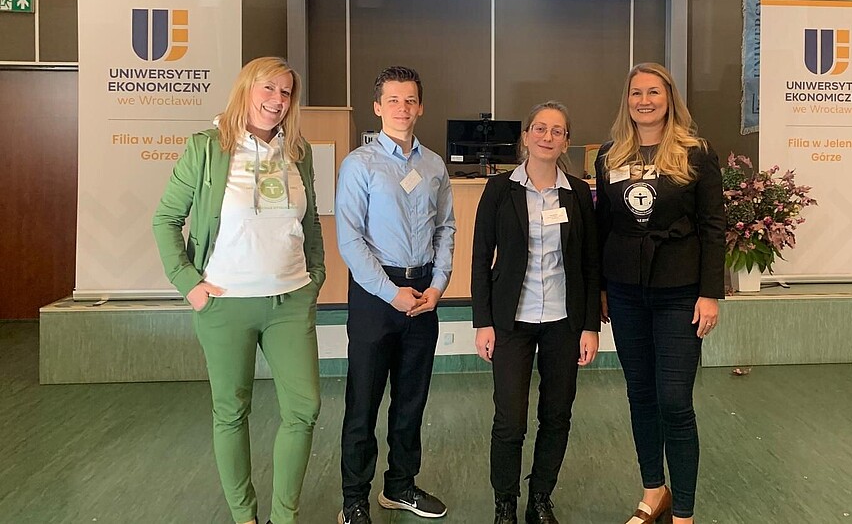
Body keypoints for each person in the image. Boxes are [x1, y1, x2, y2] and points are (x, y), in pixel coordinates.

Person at [152, 56, 325, 524]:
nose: (277, 100)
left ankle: (284, 517)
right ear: (246, 89)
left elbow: (309, 222)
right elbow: (166, 219)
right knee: (231, 412)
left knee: (305, 408)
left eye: (286, 92)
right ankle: (244, 516)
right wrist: (189, 284)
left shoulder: (298, 152)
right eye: (268, 88)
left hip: (290, 300)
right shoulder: (207, 148)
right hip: (225, 302)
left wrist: (315, 276)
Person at [595, 63, 725, 524]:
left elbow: (713, 226)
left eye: (653, 92)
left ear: (669, 98)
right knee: (640, 393)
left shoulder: (696, 153)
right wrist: (602, 289)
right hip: (626, 292)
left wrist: (710, 293)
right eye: (636, 93)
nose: (644, 101)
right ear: (626, 101)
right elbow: (603, 226)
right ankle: (654, 491)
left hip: (680, 293)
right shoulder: (609, 155)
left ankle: (684, 512)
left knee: (674, 399)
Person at [335, 66, 456, 524]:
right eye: (393, 100)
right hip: (376, 293)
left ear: (420, 106)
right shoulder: (360, 164)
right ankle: (354, 499)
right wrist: (390, 293)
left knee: (411, 401)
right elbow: (350, 240)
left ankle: (400, 486)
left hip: (423, 291)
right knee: (363, 402)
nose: (402, 108)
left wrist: (438, 285)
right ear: (377, 107)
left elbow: (446, 228)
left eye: (409, 100)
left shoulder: (434, 165)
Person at [471, 101, 601, 524]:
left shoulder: (577, 193)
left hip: (564, 321)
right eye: (540, 129)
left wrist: (590, 326)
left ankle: (540, 498)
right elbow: (480, 258)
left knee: (557, 415)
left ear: (566, 141)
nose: (547, 137)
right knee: (510, 420)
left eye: (557, 131)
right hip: (512, 321)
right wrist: (483, 321)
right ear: (526, 136)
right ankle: (505, 502)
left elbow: (590, 263)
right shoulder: (499, 189)